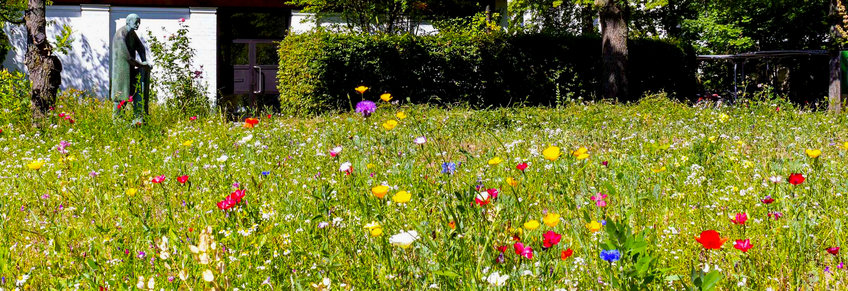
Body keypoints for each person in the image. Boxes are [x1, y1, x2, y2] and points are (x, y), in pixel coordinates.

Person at [110, 13, 150, 123]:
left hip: (130, 69)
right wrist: (142, 65)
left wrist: (144, 60)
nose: (138, 25)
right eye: (136, 22)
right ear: (128, 22)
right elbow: (127, 57)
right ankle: (117, 121)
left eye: (139, 23)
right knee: (121, 95)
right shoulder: (120, 35)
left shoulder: (132, 34)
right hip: (121, 71)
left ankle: (138, 119)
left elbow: (141, 48)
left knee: (131, 92)